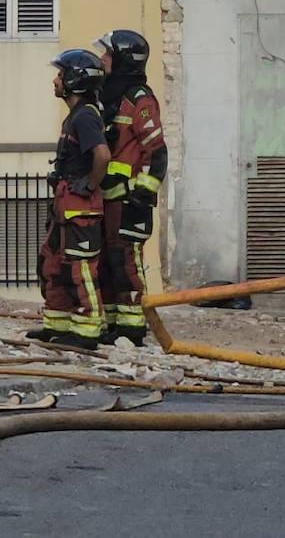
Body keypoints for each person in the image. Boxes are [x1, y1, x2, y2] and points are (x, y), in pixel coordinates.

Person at [27, 49, 112, 351]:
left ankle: (89, 329)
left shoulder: (86, 116)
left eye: (60, 75)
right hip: (66, 204)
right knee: (54, 264)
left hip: (80, 206)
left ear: (76, 79)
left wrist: (90, 183)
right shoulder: (75, 116)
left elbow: (102, 155)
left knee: (81, 268)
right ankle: (58, 324)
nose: (55, 80)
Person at [93, 29, 168, 346]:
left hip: (130, 201)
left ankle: (133, 327)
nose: (101, 60)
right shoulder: (108, 97)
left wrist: (144, 193)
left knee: (127, 264)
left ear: (123, 60)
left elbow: (158, 151)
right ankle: (114, 323)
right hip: (109, 198)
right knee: (108, 263)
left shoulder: (139, 100)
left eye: (107, 55)